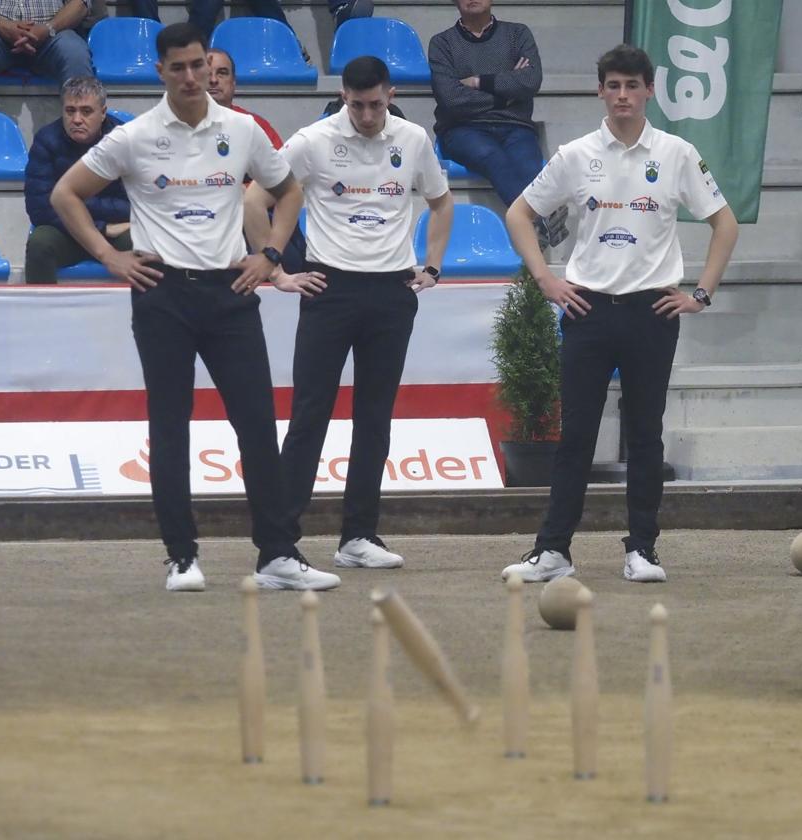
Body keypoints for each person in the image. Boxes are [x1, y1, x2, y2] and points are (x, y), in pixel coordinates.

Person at [50, 22, 339, 593]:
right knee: (170, 425)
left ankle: (278, 554)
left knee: (257, 424)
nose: (190, 76)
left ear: (211, 67)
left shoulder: (242, 129)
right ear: (160, 71)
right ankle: (182, 556)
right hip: (161, 295)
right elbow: (65, 194)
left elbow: (289, 192)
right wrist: (112, 257)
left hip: (231, 293)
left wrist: (271, 255)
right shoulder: (132, 136)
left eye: (198, 65)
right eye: (177, 67)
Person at [499, 44, 738, 584]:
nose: (623, 95)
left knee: (645, 434)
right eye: (614, 85)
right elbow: (519, 214)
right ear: (599, 90)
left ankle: (643, 550)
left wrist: (700, 294)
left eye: (633, 85)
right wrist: (546, 279)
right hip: (586, 310)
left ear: (650, 89)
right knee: (576, 434)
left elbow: (725, 223)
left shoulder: (677, 153)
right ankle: (554, 548)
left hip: (653, 312)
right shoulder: (576, 155)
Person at [244, 56, 454, 571]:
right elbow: (254, 200)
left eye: (375, 104)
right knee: (309, 414)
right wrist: (276, 271)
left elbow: (441, 203)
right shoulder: (312, 141)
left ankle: (358, 535)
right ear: (343, 96)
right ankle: (281, 543)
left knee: (375, 417)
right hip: (328, 288)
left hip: (392, 291)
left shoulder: (413, 139)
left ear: (391, 93)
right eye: (356, 104)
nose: (365, 114)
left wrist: (433, 267)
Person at [428, 0, 567, 247]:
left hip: (515, 126)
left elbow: (530, 82)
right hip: (462, 129)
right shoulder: (442, 43)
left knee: (527, 164)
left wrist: (477, 82)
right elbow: (451, 99)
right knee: (490, 154)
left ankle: (535, 227)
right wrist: (507, 94)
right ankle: (537, 218)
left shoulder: (517, 34)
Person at [206, 46, 305, 273]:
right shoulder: (177, 131)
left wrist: (248, 191)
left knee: (293, 261)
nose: (213, 80)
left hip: (256, 217)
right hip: (204, 222)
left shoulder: (255, 126)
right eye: (207, 74)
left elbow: (285, 182)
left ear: (234, 83)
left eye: (222, 73)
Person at [25, 76, 131, 284]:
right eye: (70, 111)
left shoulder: (124, 140)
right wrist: (101, 227)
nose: (76, 119)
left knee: (144, 243)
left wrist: (72, 204)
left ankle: (143, 313)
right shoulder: (45, 141)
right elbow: (40, 209)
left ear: (103, 113)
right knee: (40, 243)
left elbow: (135, 203)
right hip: (67, 232)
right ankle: (39, 315)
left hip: (116, 233)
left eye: (86, 111)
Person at [0, 0, 94, 111]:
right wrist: (0, 25)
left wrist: (49, 28)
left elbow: (81, 4)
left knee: (75, 55)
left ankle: (80, 129)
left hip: (52, 32)